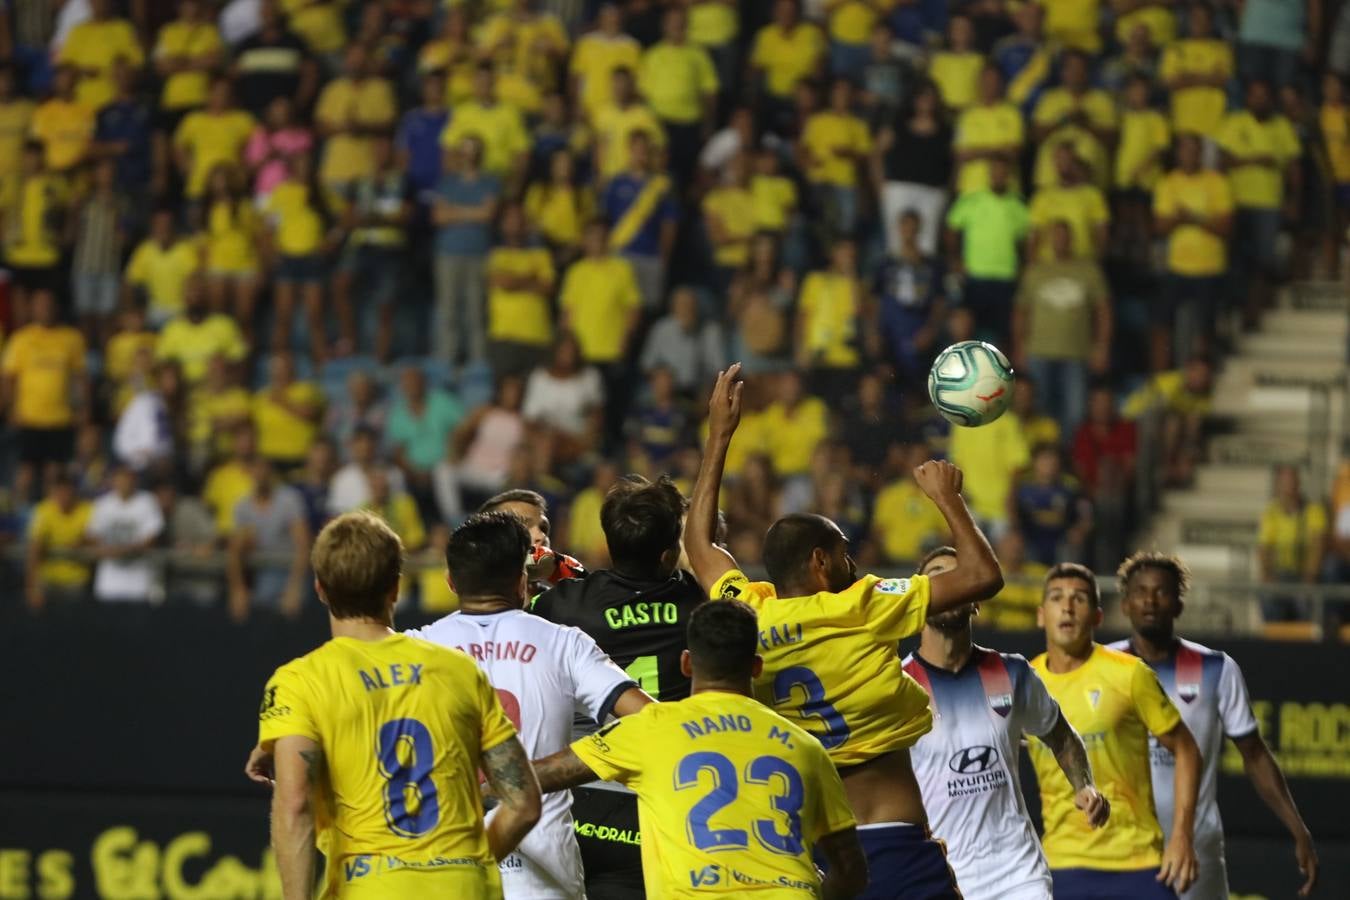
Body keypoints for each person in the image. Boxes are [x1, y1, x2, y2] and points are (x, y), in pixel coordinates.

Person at [684, 364, 1006, 899]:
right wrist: (948, 497)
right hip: (892, 842)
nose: (852, 564)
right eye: (843, 555)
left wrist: (719, 435)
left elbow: (699, 548)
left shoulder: (750, 613)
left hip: (804, 849)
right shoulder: (861, 605)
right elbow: (983, 576)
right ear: (819, 562)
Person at [251, 511, 541, 898]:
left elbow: (294, 805)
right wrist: (470, 859)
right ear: (396, 587)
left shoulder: (301, 682)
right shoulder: (458, 670)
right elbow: (524, 804)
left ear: (320, 589)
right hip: (463, 886)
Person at [528, 600, 869, 899]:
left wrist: (480, 773)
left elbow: (540, 775)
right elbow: (851, 870)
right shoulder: (805, 745)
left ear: (687, 664)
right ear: (756, 667)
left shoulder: (652, 727)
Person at [406, 512, 653, 898]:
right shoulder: (565, 643)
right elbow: (651, 721)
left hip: (444, 865)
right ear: (523, 580)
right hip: (544, 874)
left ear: (451, 581)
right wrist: (580, 762)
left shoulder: (412, 648)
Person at [532, 474, 708, 899]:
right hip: (662, 800)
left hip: (579, 798)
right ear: (669, 555)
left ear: (610, 544)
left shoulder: (562, 604)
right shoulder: (699, 605)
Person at [1109, 552, 1319, 899]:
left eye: (1161, 592)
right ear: (1125, 604)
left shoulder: (1216, 668)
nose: (1149, 600)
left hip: (1196, 846)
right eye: (1140, 592)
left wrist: (1297, 827)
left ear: (1178, 605)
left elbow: (1254, 754)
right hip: (1119, 846)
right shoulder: (1101, 666)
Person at [903, 547, 1108, 900]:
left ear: (976, 600)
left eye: (959, 576)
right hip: (941, 878)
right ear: (920, 598)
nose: (950, 584)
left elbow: (1061, 735)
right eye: (937, 576)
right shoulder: (897, 687)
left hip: (1018, 873)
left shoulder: (1013, 673)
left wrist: (1084, 785)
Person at [1028, 563, 1202, 898]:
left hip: (1136, 861)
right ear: (1041, 615)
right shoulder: (1025, 682)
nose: (1067, 607)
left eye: (1079, 599)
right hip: (1061, 864)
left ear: (1097, 617)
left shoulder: (1130, 674)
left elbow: (1186, 749)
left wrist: (1182, 837)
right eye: (1056, 598)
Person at [2, 289, 90, 504]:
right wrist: (9, 409)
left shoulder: (72, 338)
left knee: (55, 473)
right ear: (32, 308)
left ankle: (48, 518)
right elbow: (9, 378)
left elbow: (80, 378)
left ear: (56, 307)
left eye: (49, 304)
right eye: (40, 304)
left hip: (59, 417)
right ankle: (18, 518)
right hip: (28, 416)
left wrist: (83, 409)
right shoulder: (21, 339)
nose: (45, 309)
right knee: (25, 472)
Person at [227, 456, 311, 622]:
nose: (260, 474)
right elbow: (235, 549)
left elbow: (303, 545)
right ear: (249, 473)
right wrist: (238, 590)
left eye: (264, 469)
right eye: (256, 469)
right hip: (264, 576)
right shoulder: (243, 506)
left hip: (291, 571)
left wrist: (294, 587)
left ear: (270, 472)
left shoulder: (289, 500)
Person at [86, 464, 165, 604]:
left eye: (127, 479)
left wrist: (126, 549)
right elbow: (92, 536)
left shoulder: (147, 501)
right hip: (109, 582)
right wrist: (106, 549)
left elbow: (153, 536)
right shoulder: (103, 504)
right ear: (113, 481)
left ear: (134, 481)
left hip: (139, 581)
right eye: (120, 479)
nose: (124, 483)